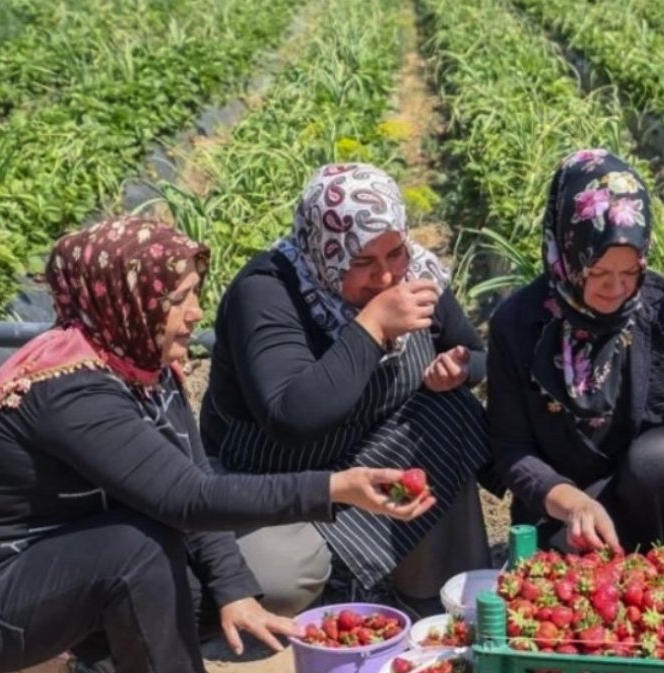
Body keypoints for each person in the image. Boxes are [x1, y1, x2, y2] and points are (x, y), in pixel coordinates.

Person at [0, 217, 434, 673]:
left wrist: (235, 592)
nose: (195, 313)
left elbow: (190, 475)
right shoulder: (70, 391)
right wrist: (335, 487)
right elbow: (188, 496)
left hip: (56, 567)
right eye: (177, 299)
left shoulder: (140, 367)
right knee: (136, 550)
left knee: (193, 586)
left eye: (194, 293)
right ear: (126, 300)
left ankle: (98, 661)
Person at [200, 163, 494, 616]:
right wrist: (372, 326)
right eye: (362, 262)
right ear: (325, 251)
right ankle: (340, 570)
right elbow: (292, 417)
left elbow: (475, 353)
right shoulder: (266, 293)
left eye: (395, 253)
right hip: (275, 477)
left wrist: (460, 368)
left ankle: (421, 585)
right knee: (280, 582)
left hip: (374, 450)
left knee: (450, 412)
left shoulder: (416, 273)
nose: (386, 277)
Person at [487, 149, 664, 555]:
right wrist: (573, 503)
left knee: (663, 459)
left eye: (630, 271)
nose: (615, 288)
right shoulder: (519, 324)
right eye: (597, 272)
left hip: (649, 491)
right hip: (564, 509)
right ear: (566, 255)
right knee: (556, 595)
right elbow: (513, 450)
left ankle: (659, 562)